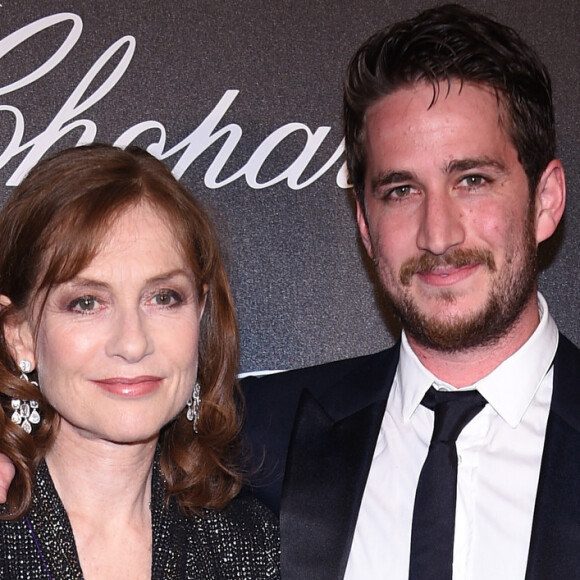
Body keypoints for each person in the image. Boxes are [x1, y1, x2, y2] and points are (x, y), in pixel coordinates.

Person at [241, 4, 578, 580]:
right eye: (401, 190)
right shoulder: (260, 435)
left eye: (472, 181)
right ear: (366, 226)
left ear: (545, 201)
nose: (437, 234)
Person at [0, 144, 280, 578]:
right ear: (19, 334)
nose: (132, 344)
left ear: (200, 313)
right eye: (87, 302)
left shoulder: (252, 549)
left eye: (163, 298)